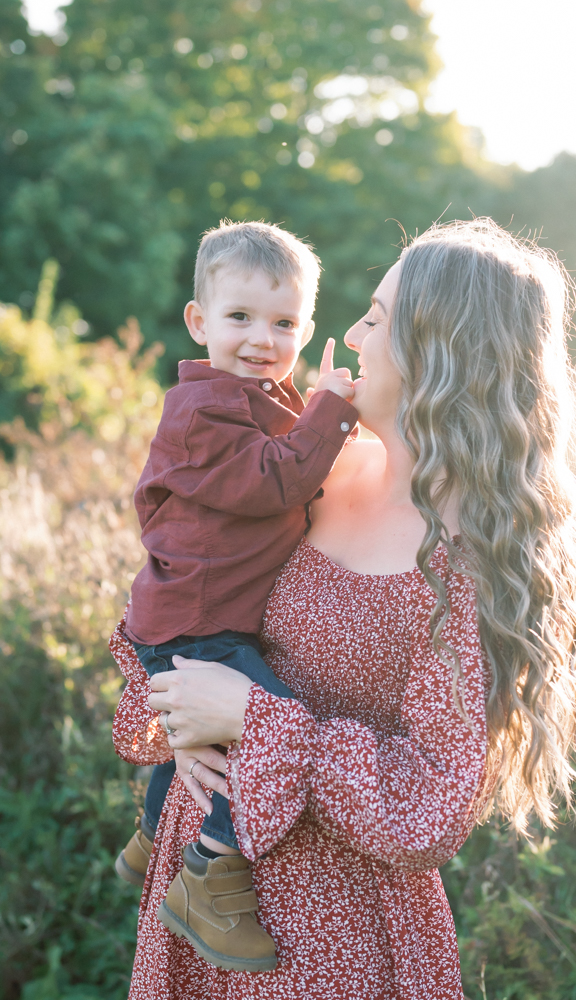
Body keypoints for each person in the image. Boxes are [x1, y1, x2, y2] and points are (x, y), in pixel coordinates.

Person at [110, 219, 576, 999]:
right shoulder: (320, 470)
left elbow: (428, 805)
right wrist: (182, 716)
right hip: (194, 888)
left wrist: (253, 719)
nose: (347, 334)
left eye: (375, 319)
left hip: (323, 934)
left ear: (437, 347)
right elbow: (188, 582)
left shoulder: (459, 563)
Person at [114, 220, 358, 972]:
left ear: (306, 326)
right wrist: (332, 408)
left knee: (193, 742)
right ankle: (211, 874)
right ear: (199, 322)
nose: (262, 338)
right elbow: (276, 478)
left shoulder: (258, 398)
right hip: (197, 625)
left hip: (192, 615)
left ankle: (150, 837)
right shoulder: (204, 411)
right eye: (240, 318)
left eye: (284, 323)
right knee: (261, 724)